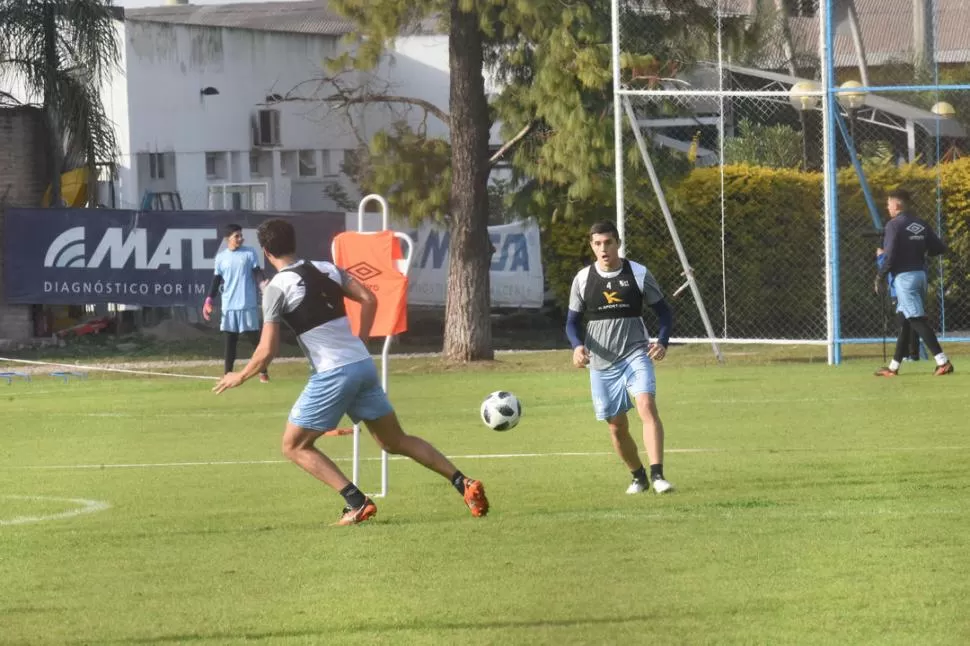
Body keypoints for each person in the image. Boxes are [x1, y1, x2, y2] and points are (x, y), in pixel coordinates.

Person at [212, 217, 489, 525]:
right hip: (361, 365)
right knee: (394, 441)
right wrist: (363, 340)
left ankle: (356, 502)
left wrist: (238, 375)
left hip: (333, 373)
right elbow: (369, 298)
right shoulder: (327, 268)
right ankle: (462, 482)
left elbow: (267, 352)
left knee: (293, 445)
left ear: (265, 252)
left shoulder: (275, 288)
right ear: (294, 243)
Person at [565, 220, 675, 495]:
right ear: (592, 246)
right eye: (597, 243)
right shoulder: (582, 279)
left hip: (635, 352)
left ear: (617, 244)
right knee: (616, 427)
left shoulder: (638, 273)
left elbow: (664, 313)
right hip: (601, 363)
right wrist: (577, 347)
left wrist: (662, 342)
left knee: (646, 406)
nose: (603, 249)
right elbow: (571, 323)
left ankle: (658, 475)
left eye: (608, 243)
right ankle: (638, 476)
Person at [873, 188, 953, 377]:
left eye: (889, 204)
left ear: (897, 205)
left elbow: (890, 255)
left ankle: (942, 362)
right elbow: (939, 248)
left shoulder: (894, 225)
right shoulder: (920, 224)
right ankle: (893, 367)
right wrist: (919, 251)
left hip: (904, 279)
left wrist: (880, 275)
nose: (888, 207)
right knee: (907, 321)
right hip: (920, 276)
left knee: (916, 319)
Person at [203, 224, 269, 383]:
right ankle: (227, 374)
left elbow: (257, 272)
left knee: (255, 340)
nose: (240, 239)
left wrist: (263, 286)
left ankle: (263, 372)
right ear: (228, 239)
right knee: (230, 342)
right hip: (229, 305)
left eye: (241, 235)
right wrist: (209, 300)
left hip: (247, 303)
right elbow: (217, 279)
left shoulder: (249, 253)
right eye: (236, 236)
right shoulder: (221, 258)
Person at [876, 247, 921, 362]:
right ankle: (907, 354)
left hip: (903, 289)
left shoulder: (897, 252)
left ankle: (911, 355)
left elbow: (886, 265)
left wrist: (881, 257)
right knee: (906, 322)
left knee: (910, 321)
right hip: (901, 290)